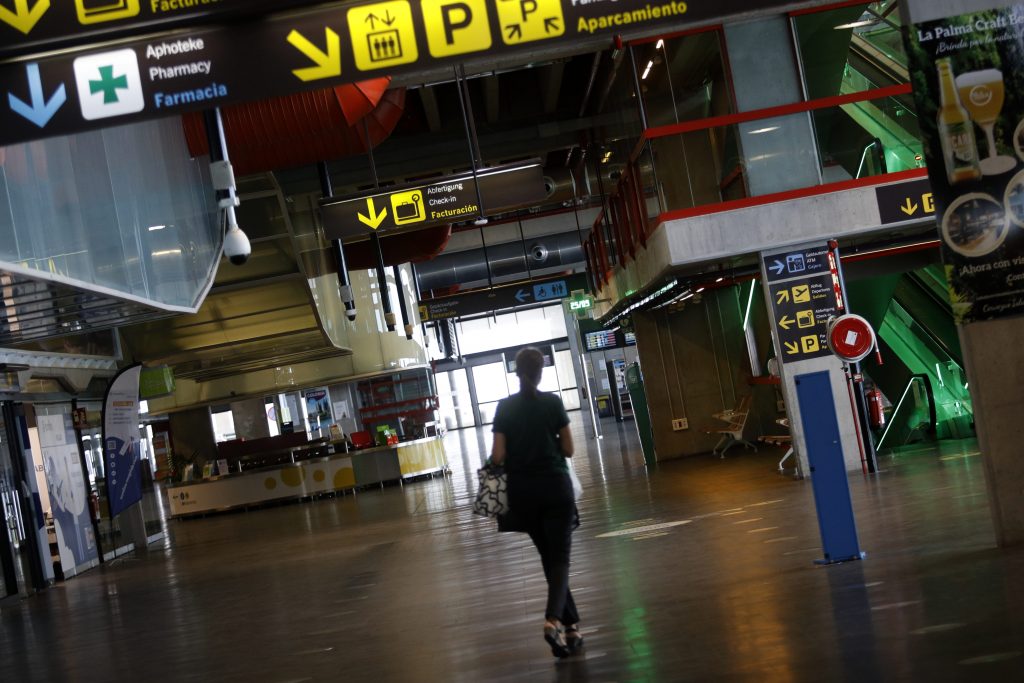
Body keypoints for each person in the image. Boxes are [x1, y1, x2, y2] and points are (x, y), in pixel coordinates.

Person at [490, 347, 582, 658]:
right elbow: (568, 449)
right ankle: (553, 621)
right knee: (559, 560)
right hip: (556, 490)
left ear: (515, 371)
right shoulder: (552, 403)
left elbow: (498, 456)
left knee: (550, 559)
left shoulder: (504, 407)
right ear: (541, 371)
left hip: (522, 495)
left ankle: (572, 628)